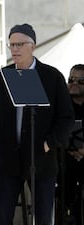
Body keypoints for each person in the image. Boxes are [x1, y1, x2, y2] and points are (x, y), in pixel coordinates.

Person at [0, 23, 75, 225]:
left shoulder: (52, 76)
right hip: (8, 159)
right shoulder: (3, 76)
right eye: (11, 45)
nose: (15, 49)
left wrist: (48, 143)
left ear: (33, 46)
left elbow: (66, 118)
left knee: (43, 217)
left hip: (41, 159)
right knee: (1, 216)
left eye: (19, 44)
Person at [63, 64, 84, 224]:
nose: (74, 83)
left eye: (80, 81)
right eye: (71, 79)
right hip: (65, 158)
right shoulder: (61, 105)